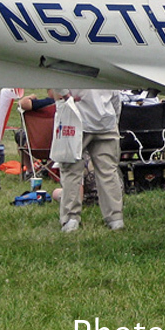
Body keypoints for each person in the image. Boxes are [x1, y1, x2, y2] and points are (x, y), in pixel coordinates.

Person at [54, 89, 124, 233]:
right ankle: (115, 218)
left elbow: (55, 78)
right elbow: (116, 96)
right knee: (108, 171)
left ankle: (71, 218)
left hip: (76, 119)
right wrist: (114, 119)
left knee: (71, 171)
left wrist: (64, 95)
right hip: (105, 120)